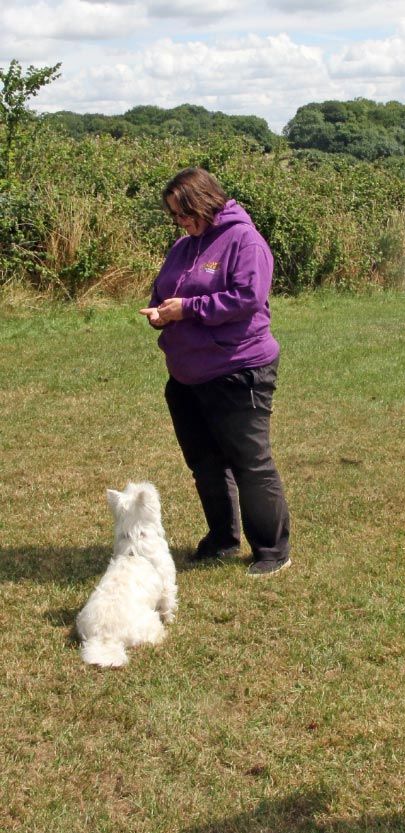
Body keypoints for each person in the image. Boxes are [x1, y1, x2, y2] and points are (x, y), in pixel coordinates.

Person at [140, 167, 291, 576]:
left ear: (204, 201)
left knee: (249, 461)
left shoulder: (245, 240)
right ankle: (222, 539)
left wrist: (187, 309)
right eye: (173, 216)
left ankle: (272, 550)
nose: (180, 222)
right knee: (205, 462)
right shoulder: (182, 246)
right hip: (187, 374)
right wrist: (158, 313)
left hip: (238, 370)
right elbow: (164, 291)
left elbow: (246, 298)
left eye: (184, 213)